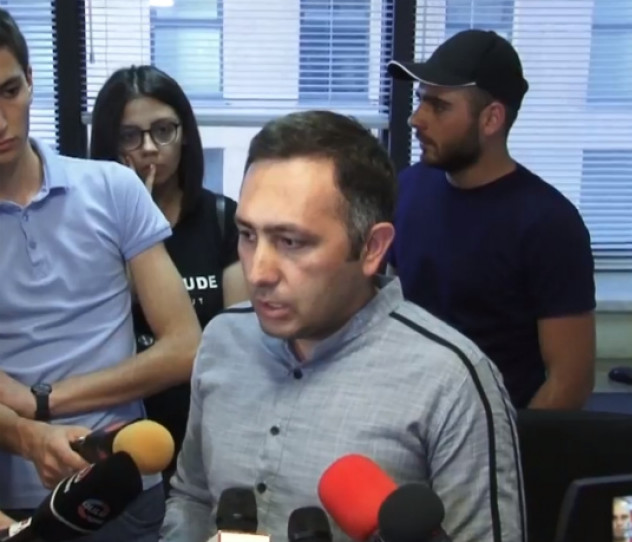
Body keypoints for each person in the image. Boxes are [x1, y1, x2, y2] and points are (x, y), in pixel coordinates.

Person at [160, 110, 524, 542]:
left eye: (291, 242)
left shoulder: (452, 382)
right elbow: (193, 497)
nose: (257, 273)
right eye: (248, 235)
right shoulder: (222, 339)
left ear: (372, 248)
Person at [0, 8, 201, 542]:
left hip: (124, 482)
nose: (0, 120)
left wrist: (43, 400)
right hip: (13, 494)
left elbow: (184, 346)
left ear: (31, 81)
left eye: (9, 91)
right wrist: (27, 432)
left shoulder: (113, 188)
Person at [386, 29, 596, 409]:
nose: (416, 119)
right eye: (420, 101)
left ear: (491, 119)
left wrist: (505, 443)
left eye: (439, 106)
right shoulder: (408, 188)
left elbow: (570, 381)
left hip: (497, 427)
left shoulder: (550, 224)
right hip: (407, 413)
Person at [90, 65, 247, 488]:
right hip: (121, 428)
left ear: (185, 134)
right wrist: (133, 214)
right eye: (130, 136)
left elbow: (238, 340)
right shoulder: (89, 226)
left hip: (206, 423)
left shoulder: (221, 218)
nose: (148, 148)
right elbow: (98, 322)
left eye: (163, 131)